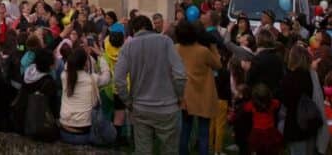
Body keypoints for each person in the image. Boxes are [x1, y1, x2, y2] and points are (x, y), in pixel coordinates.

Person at [114, 14, 187, 155]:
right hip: (167, 107)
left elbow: (118, 80)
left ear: (133, 30)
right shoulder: (166, 41)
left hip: (141, 107)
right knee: (170, 150)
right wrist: (179, 96)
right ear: (150, 27)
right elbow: (180, 75)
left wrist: (128, 101)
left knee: (143, 150)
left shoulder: (128, 46)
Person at [174, 20, 220, 155]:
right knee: (203, 132)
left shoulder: (175, 48)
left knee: (185, 129)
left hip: (185, 94)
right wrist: (213, 47)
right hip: (203, 95)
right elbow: (218, 65)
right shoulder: (203, 51)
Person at [59, 44, 113, 145]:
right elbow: (107, 77)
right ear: (85, 63)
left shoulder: (64, 76)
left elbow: (68, 65)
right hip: (84, 135)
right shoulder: (92, 79)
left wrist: (78, 54)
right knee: (111, 131)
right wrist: (101, 56)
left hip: (64, 132)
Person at [12, 47, 60, 142]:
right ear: (50, 66)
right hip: (36, 123)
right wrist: (57, 120)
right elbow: (53, 106)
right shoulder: (48, 82)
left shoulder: (27, 73)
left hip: (20, 119)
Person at [280, 43, 318, 155]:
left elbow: (285, 100)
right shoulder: (310, 76)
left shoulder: (289, 78)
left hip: (295, 122)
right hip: (309, 119)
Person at [244, 83, 282, 155]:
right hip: (270, 132)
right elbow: (278, 103)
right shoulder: (273, 103)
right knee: (272, 151)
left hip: (257, 133)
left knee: (258, 151)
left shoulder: (251, 104)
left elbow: (245, 108)